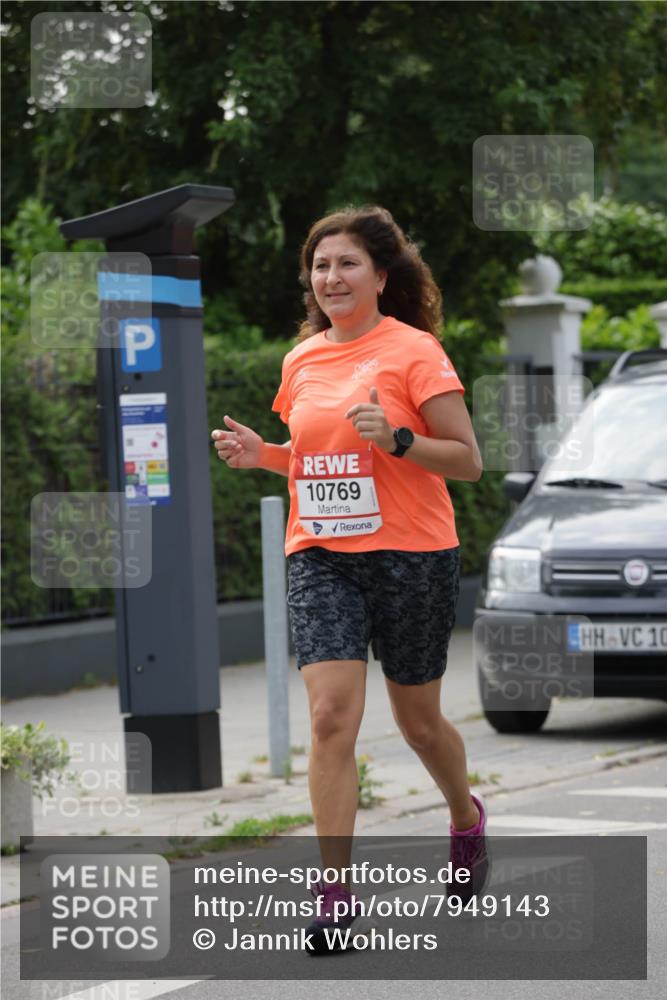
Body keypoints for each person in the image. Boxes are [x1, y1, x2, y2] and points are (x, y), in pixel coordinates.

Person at [211, 205, 489, 955]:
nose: (330, 277)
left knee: (418, 723)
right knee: (331, 717)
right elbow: (311, 458)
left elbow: (467, 460)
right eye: (319, 265)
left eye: (346, 264)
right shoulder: (300, 360)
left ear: (380, 274)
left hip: (412, 553)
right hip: (321, 553)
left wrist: (398, 439)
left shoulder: (414, 351)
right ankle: (334, 894)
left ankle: (465, 821)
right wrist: (260, 454)